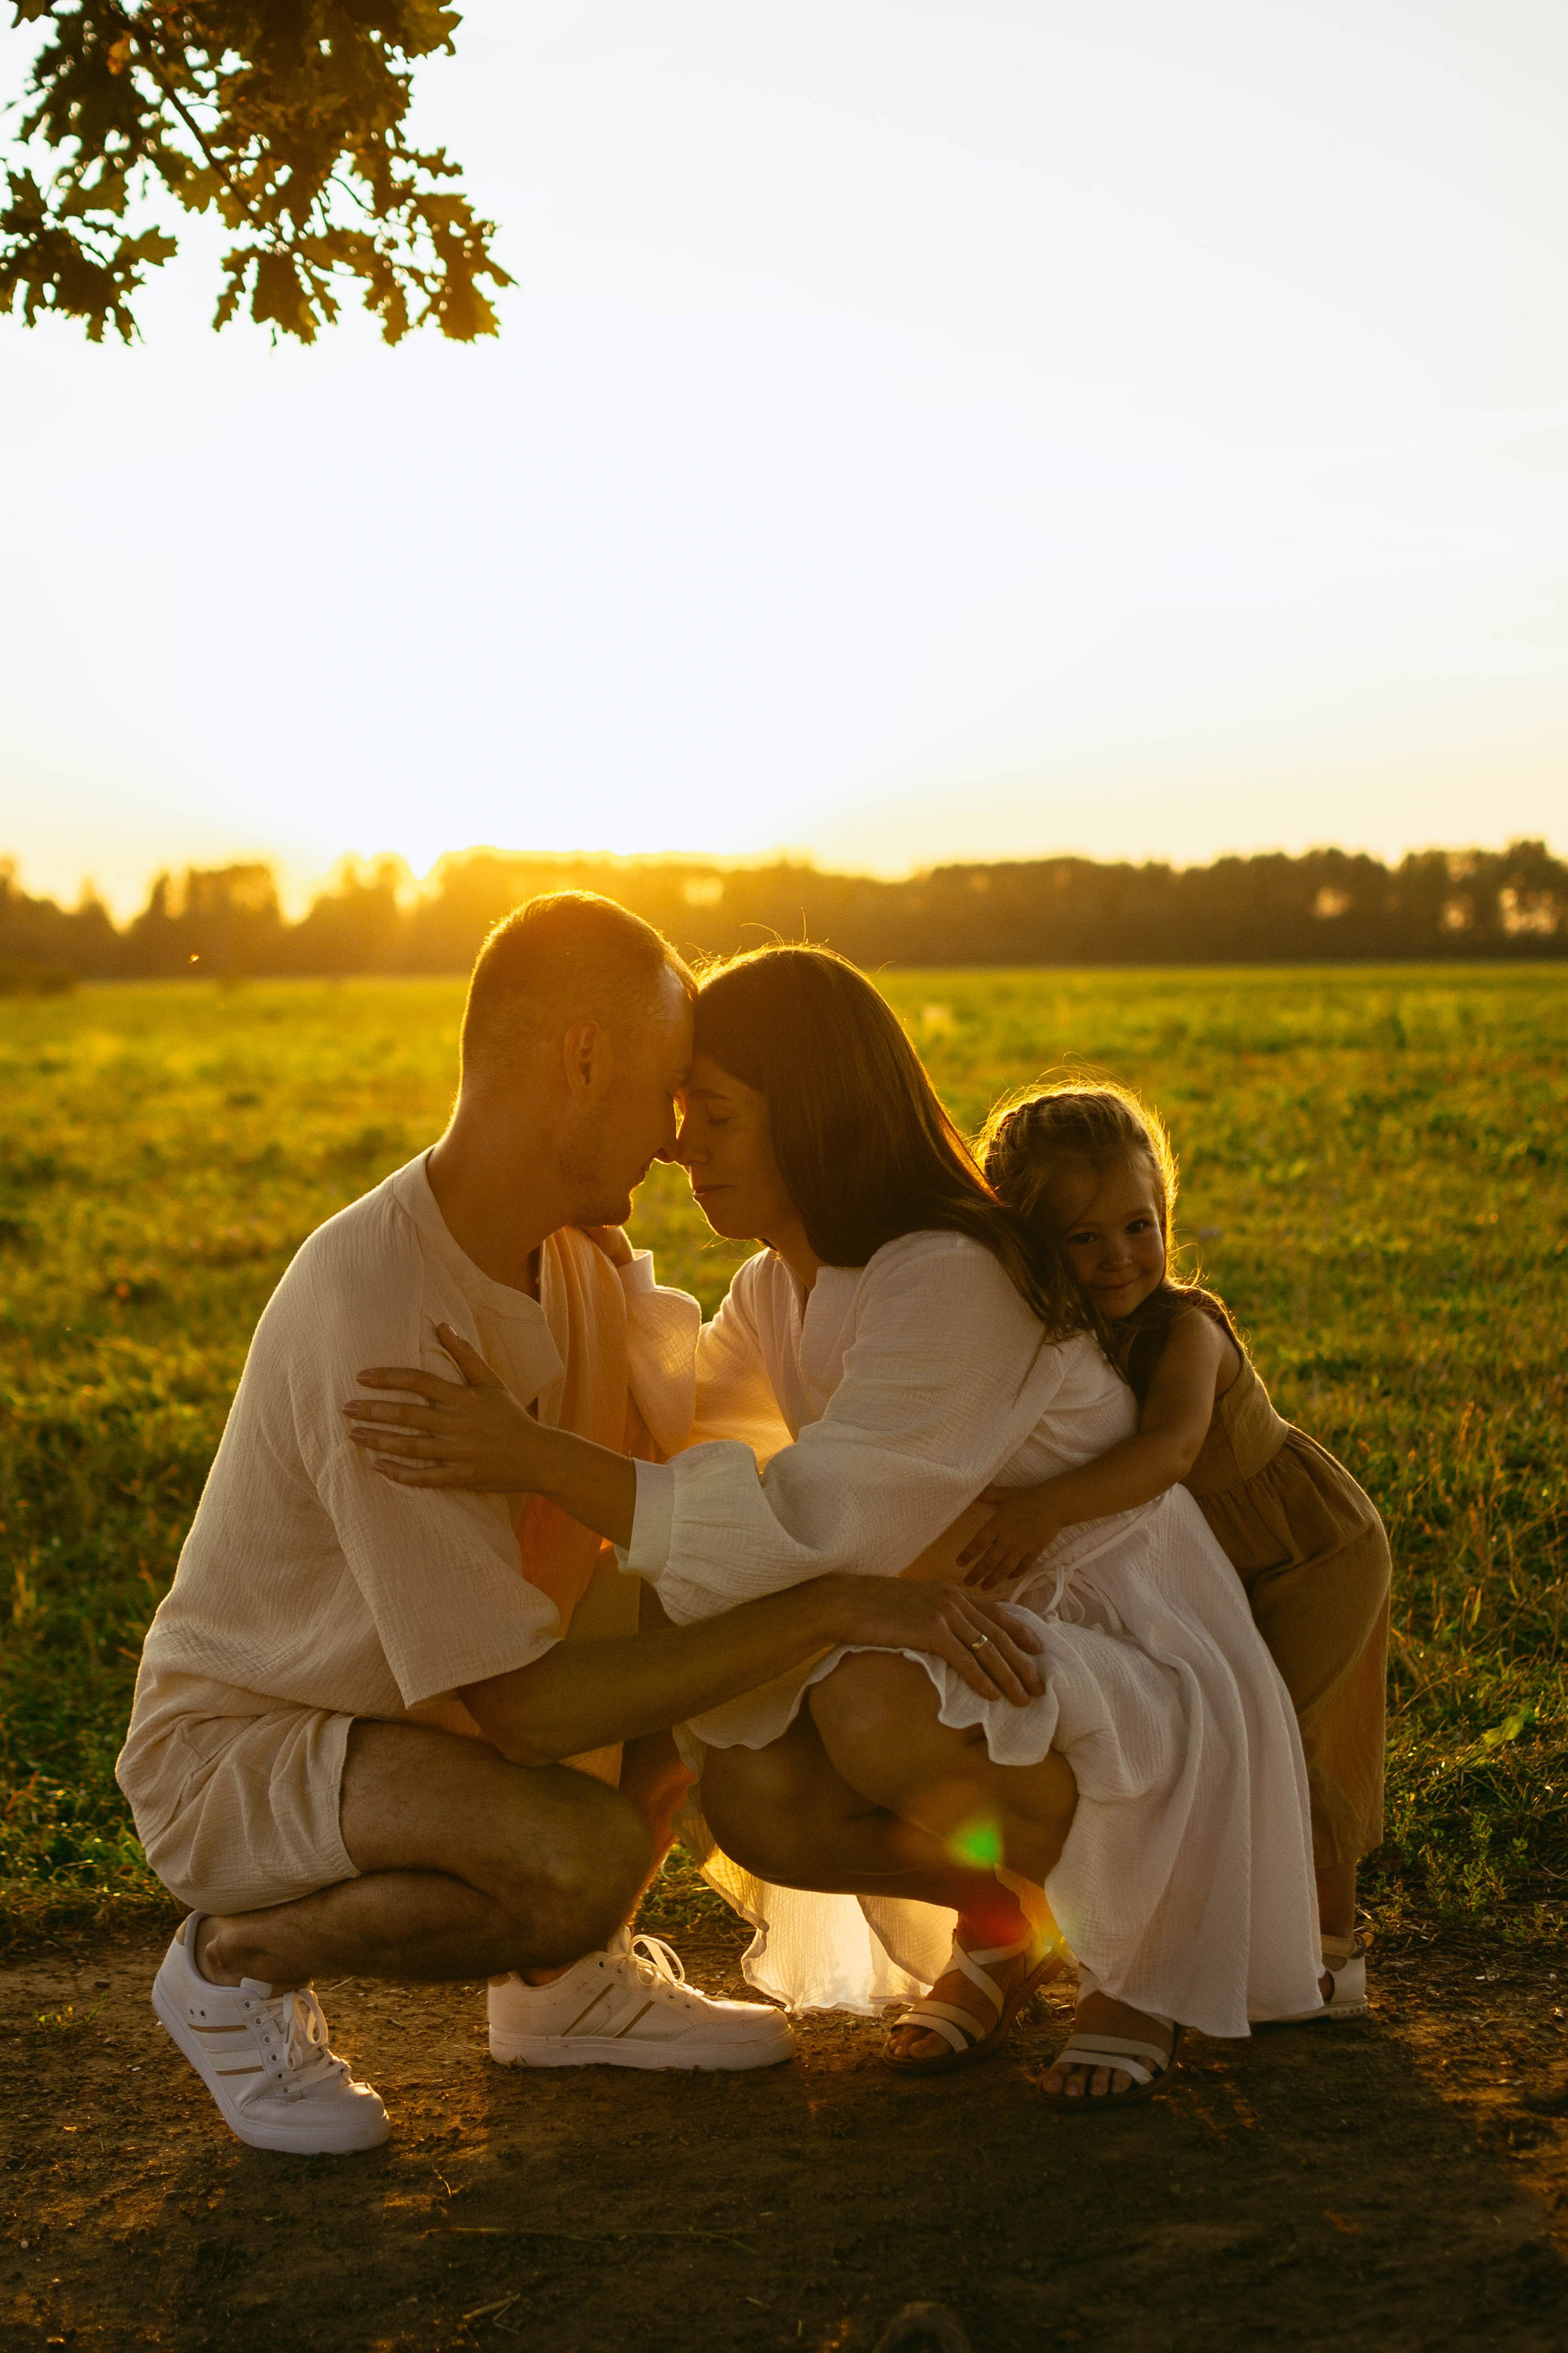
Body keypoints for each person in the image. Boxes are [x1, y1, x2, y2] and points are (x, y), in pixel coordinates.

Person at [116, 896, 1038, 2156]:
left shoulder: (579, 1263)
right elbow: (527, 1712)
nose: (673, 1142)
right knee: (572, 1859)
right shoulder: (383, 1308)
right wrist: (825, 1607)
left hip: (415, 1713)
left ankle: (564, 1995)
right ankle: (230, 1966)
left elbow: (706, 1475)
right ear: (584, 1061)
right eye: (671, 1089)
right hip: (255, 1740)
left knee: (683, 1590)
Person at [345, 944, 1325, 2110]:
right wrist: (588, 1265)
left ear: (808, 1116)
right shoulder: (780, 1283)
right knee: (758, 1794)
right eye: (677, 1114)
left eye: (712, 1116)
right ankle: (1002, 1922)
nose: (676, 1146)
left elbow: (811, 1526)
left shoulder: (949, 1275)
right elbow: (689, 1437)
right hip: (960, 1599)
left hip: (1112, 1607)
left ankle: (1140, 1959)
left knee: (866, 1704)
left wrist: (535, 1454)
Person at [964, 1082, 1392, 2017]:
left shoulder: (1185, 1327)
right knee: (1229, 1729)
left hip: (1306, 1547)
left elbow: (1169, 1452)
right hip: (1211, 1566)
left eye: (1139, 1225)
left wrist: (1042, 1510)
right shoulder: (1054, 1332)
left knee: (1282, 1736)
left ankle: (1325, 1944)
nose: (1120, 1256)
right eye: (1083, 1238)